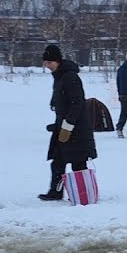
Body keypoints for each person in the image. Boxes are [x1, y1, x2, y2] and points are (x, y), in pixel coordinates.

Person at [38, 44, 97, 201]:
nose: (47, 66)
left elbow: (77, 103)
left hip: (76, 129)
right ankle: (55, 192)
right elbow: (62, 97)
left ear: (56, 61)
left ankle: (83, 193)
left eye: (49, 63)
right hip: (63, 126)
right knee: (57, 161)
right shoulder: (59, 77)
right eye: (45, 63)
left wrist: (68, 125)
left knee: (78, 163)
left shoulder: (70, 77)